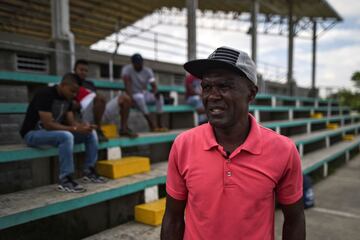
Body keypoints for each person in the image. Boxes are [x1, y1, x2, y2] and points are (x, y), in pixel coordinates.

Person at [161, 47, 305, 240]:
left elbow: (294, 219)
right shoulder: (183, 145)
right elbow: (173, 218)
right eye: (206, 87)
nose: (212, 96)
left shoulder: (283, 150)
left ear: (251, 93)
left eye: (224, 87)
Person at [20, 73, 106, 193]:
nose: (74, 95)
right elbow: (48, 125)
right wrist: (76, 129)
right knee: (66, 136)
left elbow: (72, 123)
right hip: (33, 134)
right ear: (63, 85)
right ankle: (65, 180)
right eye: (72, 91)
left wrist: (83, 127)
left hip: (53, 135)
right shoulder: (45, 94)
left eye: (76, 92)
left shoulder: (68, 99)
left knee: (91, 133)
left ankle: (89, 171)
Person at [74, 59, 137, 140]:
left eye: (86, 70)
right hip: (84, 117)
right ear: (74, 70)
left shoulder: (90, 84)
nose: (83, 72)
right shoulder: (71, 83)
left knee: (125, 98)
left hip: (98, 115)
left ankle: (123, 129)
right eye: (81, 70)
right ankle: (98, 131)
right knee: (100, 98)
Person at [122, 53, 167, 132]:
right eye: (137, 62)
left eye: (141, 62)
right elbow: (127, 85)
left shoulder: (147, 71)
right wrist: (130, 98)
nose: (140, 64)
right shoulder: (127, 69)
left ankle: (160, 124)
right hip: (134, 95)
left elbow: (153, 85)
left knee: (159, 97)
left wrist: (156, 92)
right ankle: (152, 125)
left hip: (144, 93)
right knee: (140, 97)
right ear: (133, 63)